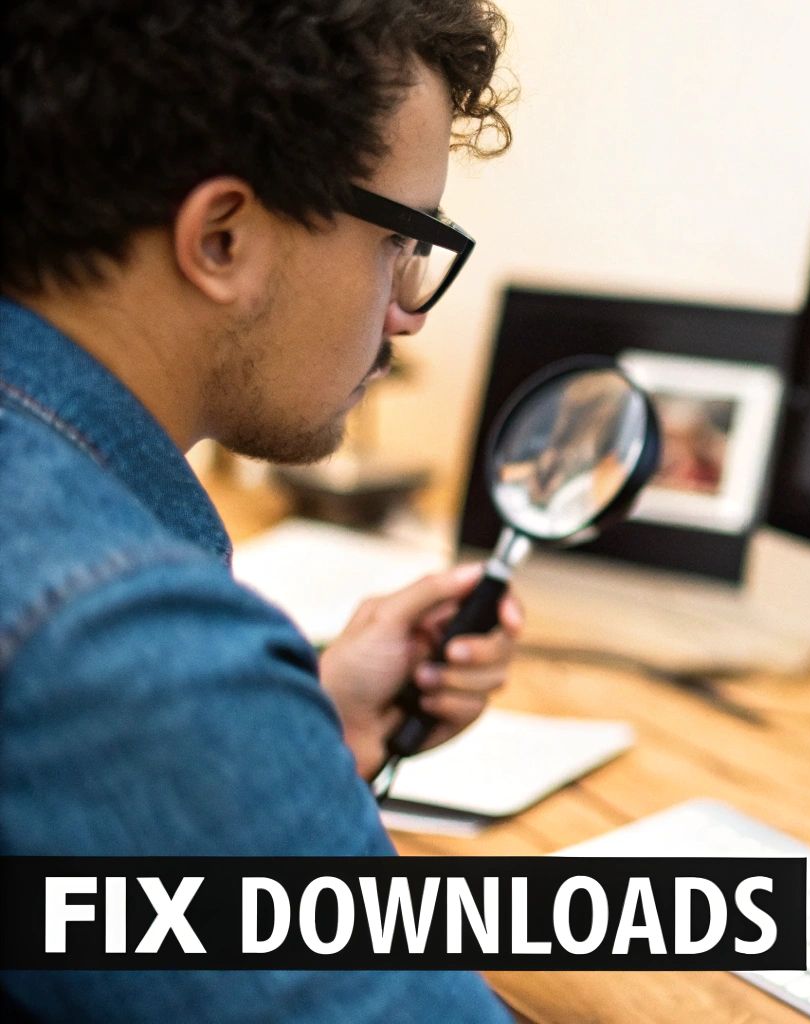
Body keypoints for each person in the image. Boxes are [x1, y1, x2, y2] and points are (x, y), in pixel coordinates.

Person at [1, 2, 524, 1020]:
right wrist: (221, 726)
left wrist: (293, 738)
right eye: (399, 240)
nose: (406, 309)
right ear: (223, 238)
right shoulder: (120, 641)